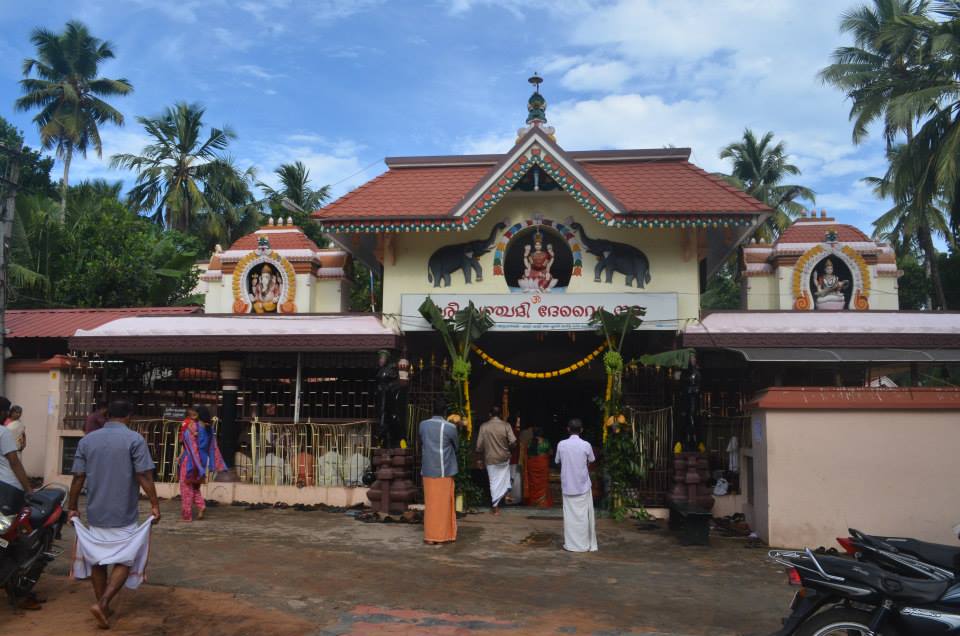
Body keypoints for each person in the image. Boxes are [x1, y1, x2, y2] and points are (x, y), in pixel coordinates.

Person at [66, 398, 160, 629]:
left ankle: (103, 606)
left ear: (107, 415)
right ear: (129, 416)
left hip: (96, 511)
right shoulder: (134, 439)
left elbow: (78, 477)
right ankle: (104, 602)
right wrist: (155, 505)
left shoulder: (88, 440)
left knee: (98, 559)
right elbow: (143, 476)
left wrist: (72, 506)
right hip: (124, 511)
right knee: (125, 558)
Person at [418, 396, 459, 545]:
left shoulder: (423, 425)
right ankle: (441, 536)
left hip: (427, 470)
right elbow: (457, 447)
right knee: (442, 505)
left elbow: (422, 441)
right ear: (445, 411)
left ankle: (430, 536)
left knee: (431, 504)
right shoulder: (450, 427)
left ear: (432, 410)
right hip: (444, 470)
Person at [555, 418, 597, 552]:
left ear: (568, 429)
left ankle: (572, 545)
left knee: (570, 517)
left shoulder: (561, 444)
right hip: (582, 486)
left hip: (568, 486)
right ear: (581, 430)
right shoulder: (586, 445)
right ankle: (584, 544)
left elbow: (557, 460)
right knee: (584, 516)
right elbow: (591, 460)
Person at [178, 406, 226, 521]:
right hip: (202, 461)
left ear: (197, 415)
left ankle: (186, 515)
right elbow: (213, 448)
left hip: (191, 461)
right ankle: (201, 505)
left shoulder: (193, 426)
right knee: (195, 486)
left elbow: (190, 445)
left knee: (186, 487)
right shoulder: (210, 429)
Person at [475, 406, 516, 516]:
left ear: (490, 414)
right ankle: (504, 496)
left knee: (494, 482)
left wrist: (479, 459)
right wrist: (508, 447)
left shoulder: (484, 426)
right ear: (500, 415)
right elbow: (513, 442)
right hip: (504, 457)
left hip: (490, 458)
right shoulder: (506, 425)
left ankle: (495, 507)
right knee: (504, 478)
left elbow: (479, 446)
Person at [523, 427, 553, 508]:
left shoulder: (529, 442)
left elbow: (527, 454)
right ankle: (542, 503)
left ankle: (533, 502)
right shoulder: (545, 442)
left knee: (533, 484)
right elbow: (550, 452)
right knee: (542, 484)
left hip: (532, 466)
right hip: (542, 465)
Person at [507, 415, 522, 503]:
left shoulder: (508, 431)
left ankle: (507, 495)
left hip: (506, 458)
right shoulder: (515, 432)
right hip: (513, 458)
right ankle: (508, 495)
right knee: (511, 477)